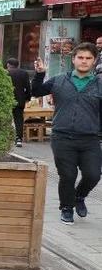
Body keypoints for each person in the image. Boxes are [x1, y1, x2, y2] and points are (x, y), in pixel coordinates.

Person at [32, 44, 102, 225]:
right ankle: (67, 208)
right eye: (80, 57)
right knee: (68, 175)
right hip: (62, 137)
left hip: (90, 139)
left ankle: (80, 196)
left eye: (88, 58)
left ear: (94, 61)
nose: (84, 61)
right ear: (74, 59)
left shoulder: (99, 84)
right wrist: (40, 74)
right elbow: (36, 92)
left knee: (93, 174)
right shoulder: (59, 80)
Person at [6, 58, 31, 147]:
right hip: (20, 100)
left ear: (8, 64)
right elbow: (28, 87)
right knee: (19, 119)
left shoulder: (6, 73)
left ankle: (5, 138)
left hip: (7, 99)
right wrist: (28, 98)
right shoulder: (24, 73)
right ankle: (19, 139)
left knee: (6, 118)